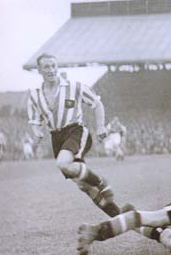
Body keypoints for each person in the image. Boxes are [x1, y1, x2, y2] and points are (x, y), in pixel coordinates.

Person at [26, 53, 124, 218]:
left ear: (57, 67)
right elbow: (34, 121)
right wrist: (36, 131)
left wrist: (100, 126)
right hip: (56, 138)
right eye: (46, 67)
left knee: (63, 163)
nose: (51, 70)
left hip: (75, 131)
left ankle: (101, 181)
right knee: (83, 185)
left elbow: (97, 103)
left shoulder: (74, 87)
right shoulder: (34, 95)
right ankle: (118, 215)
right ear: (39, 70)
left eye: (53, 66)